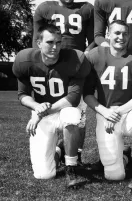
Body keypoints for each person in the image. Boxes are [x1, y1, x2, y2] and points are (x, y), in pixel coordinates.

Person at [13, 24, 91, 188]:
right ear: (38, 42)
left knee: (72, 115)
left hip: (64, 108)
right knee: (43, 175)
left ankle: (71, 166)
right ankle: (59, 151)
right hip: (44, 113)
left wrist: (40, 112)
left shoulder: (75, 59)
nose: (55, 47)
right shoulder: (25, 60)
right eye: (50, 42)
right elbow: (22, 95)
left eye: (58, 42)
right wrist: (36, 106)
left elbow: (74, 98)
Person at [84, 20, 132, 192]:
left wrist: (118, 111)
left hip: (129, 111)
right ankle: (124, 157)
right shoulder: (95, 55)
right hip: (105, 113)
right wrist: (106, 112)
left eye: (124, 33)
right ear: (108, 34)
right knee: (114, 176)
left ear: (129, 36)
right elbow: (87, 94)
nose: (120, 37)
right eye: (116, 33)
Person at [32, 0, 95, 165]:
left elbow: (93, 39)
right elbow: (37, 39)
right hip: (53, 67)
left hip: (75, 65)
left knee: (79, 114)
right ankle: (54, 149)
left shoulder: (86, 9)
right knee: (49, 108)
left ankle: (76, 154)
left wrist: (84, 54)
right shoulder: (44, 9)